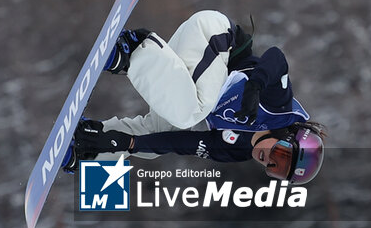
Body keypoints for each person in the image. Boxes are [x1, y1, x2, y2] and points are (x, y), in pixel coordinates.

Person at [64, 10, 326, 184]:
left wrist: (128, 142)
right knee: (192, 112)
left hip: (189, 69)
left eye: (276, 169)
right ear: (288, 137)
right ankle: (131, 50)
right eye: (280, 156)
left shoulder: (237, 150)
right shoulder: (277, 107)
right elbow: (276, 57)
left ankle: (88, 145)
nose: (268, 161)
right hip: (214, 36)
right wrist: (256, 84)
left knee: (159, 133)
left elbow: (184, 142)